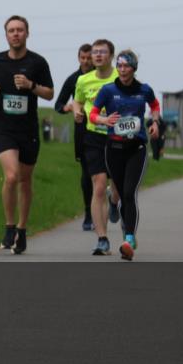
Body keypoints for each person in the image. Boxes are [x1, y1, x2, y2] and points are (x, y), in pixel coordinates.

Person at [0, 15, 54, 254]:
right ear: (6, 35)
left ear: (27, 33)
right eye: (11, 30)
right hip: (4, 129)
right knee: (11, 177)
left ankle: (22, 230)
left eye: (20, 30)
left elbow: (49, 94)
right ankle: (9, 226)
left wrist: (31, 86)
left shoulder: (38, 62)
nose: (15, 34)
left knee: (25, 180)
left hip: (28, 130)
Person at [89, 50, 160, 261]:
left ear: (133, 68)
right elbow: (92, 114)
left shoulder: (144, 90)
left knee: (129, 193)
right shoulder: (108, 90)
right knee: (120, 193)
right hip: (113, 149)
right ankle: (114, 203)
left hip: (136, 148)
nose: (122, 70)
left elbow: (154, 105)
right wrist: (104, 120)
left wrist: (155, 122)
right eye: (119, 66)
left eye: (126, 66)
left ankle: (129, 239)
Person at [73, 39, 122, 255]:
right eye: (95, 52)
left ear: (111, 55)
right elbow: (78, 100)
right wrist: (76, 110)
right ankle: (102, 238)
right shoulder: (83, 80)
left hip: (117, 137)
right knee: (99, 184)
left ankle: (115, 201)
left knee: (116, 185)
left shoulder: (120, 78)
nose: (98, 55)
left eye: (103, 52)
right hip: (93, 136)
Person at [54, 43, 94, 230]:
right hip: (83, 131)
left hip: (105, 128)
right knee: (87, 174)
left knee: (107, 173)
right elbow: (58, 104)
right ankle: (88, 214)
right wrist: (68, 107)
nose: (85, 61)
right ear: (78, 58)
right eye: (82, 58)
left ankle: (112, 200)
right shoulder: (73, 79)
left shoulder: (104, 76)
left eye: (89, 58)